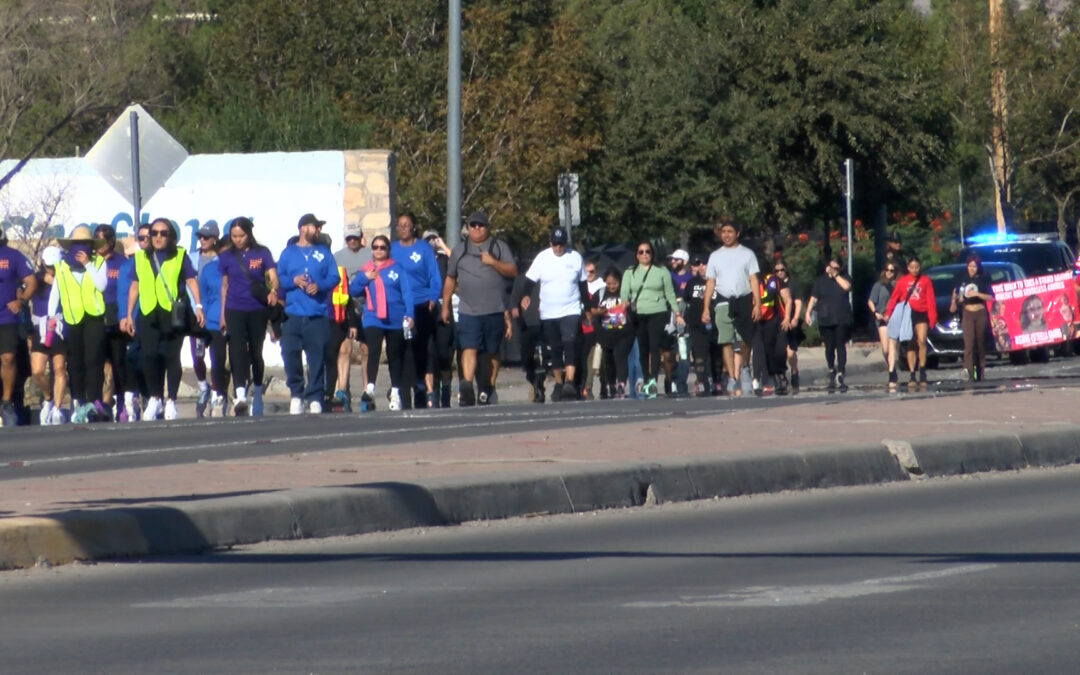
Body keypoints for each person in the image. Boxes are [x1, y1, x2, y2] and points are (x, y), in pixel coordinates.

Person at [121, 218, 206, 420]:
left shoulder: (179, 256)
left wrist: (198, 306)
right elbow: (135, 285)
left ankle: (171, 401)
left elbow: (191, 279)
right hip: (148, 311)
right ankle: (155, 398)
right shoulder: (140, 257)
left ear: (170, 236)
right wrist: (129, 313)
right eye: (155, 233)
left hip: (172, 313)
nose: (158, 237)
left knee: (171, 357)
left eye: (163, 233)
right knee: (149, 356)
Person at [441, 210, 516, 406]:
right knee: (469, 347)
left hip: (494, 309)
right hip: (469, 310)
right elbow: (450, 278)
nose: (476, 229)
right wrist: (445, 306)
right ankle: (467, 386)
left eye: (480, 225)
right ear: (468, 228)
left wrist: (493, 262)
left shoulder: (499, 247)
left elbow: (512, 271)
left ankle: (487, 388)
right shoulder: (459, 250)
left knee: (492, 351)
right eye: (473, 225)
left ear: (487, 227)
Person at [277, 213, 339, 414]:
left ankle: (315, 396)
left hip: (317, 314)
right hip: (292, 314)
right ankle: (296, 393)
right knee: (290, 353)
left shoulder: (324, 252)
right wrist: (293, 281)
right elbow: (279, 280)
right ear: (303, 228)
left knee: (316, 358)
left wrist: (319, 286)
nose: (318, 231)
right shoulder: (288, 253)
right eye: (315, 227)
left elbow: (334, 277)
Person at [218, 216, 278, 416]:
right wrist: (222, 315)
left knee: (255, 351)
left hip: (257, 308)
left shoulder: (262, 253)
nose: (237, 239)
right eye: (234, 236)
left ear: (249, 233)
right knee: (236, 350)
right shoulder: (226, 256)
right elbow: (224, 286)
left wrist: (273, 291)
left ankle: (258, 391)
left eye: (241, 235)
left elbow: (273, 277)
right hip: (234, 307)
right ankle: (240, 394)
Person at [350, 234, 415, 411]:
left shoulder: (397, 269)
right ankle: (370, 388)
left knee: (395, 355)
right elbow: (353, 290)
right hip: (373, 317)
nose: (379, 250)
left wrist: (409, 314)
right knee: (373, 349)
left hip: (395, 318)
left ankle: (395, 392)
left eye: (382, 247)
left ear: (388, 250)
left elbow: (407, 293)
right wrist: (366, 278)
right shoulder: (366, 270)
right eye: (376, 247)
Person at [54, 225, 110, 422]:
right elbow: (56, 292)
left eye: (85, 244)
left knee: (93, 360)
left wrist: (88, 265)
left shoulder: (99, 262)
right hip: (71, 318)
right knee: (75, 363)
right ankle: (78, 399)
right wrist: (53, 318)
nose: (81, 248)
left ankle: (93, 400)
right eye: (77, 244)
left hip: (93, 317)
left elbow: (101, 285)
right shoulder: (61, 266)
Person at [524, 226, 585, 401]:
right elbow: (529, 280)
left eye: (561, 244)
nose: (558, 248)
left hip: (571, 309)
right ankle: (559, 383)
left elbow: (582, 284)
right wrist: (525, 295)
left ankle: (570, 382)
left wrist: (586, 308)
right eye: (555, 244)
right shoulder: (542, 258)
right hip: (549, 312)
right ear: (550, 243)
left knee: (570, 343)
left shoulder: (575, 257)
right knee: (555, 347)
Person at [702, 219, 760, 395]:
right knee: (726, 340)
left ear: (737, 234)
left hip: (743, 298)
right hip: (722, 300)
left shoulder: (747, 254)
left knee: (744, 340)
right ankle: (732, 378)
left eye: (730, 231)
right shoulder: (715, 256)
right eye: (723, 232)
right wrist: (706, 308)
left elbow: (753, 279)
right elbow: (710, 283)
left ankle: (744, 370)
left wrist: (757, 303)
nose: (726, 235)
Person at [391, 212, 443, 409]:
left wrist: (432, 296)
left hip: (421, 304)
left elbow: (434, 276)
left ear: (413, 227)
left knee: (422, 349)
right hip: (400, 306)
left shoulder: (423, 249)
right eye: (400, 225)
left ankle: (421, 388)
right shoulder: (393, 249)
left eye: (407, 225)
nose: (403, 228)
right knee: (402, 350)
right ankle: (403, 392)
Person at [621, 240, 683, 399]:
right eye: (641, 252)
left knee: (655, 346)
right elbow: (624, 293)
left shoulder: (661, 271)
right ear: (636, 255)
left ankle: (653, 381)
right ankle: (647, 378)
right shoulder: (630, 272)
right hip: (639, 313)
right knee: (643, 349)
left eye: (647, 251)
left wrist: (677, 314)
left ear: (652, 253)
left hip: (658, 311)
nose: (644, 255)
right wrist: (624, 304)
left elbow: (670, 294)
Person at [327, 230, 370, 411]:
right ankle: (343, 391)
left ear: (361, 238)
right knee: (344, 350)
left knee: (366, 351)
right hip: (345, 309)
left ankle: (368, 392)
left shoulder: (369, 254)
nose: (352, 241)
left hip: (367, 308)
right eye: (349, 238)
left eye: (355, 237)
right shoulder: (337, 257)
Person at [885, 255, 936, 386]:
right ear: (908, 268)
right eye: (912, 267)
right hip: (908, 313)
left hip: (921, 313)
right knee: (910, 343)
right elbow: (894, 298)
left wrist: (932, 318)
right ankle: (912, 373)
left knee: (922, 340)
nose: (915, 270)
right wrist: (888, 313)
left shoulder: (926, 281)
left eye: (917, 267)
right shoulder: (902, 281)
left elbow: (930, 300)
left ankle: (923, 370)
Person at [29, 246, 66, 425]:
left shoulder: (65, 277)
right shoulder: (36, 279)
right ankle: (48, 398)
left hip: (59, 326)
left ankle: (58, 409)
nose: (51, 269)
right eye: (49, 266)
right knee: (37, 370)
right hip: (41, 327)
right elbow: (26, 289)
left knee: (59, 369)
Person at [804, 258, 853, 392]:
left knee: (840, 345)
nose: (831, 269)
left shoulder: (844, 277)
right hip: (825, 318)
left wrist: (836, 275)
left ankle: (841, 372)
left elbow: (847, 287)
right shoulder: (821, 281)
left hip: (841, 318)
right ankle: (831, 369)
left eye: (835, 268)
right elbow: (814, 297)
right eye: (830, 267)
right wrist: (808, 312)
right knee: (829, 347)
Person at [188, 223, 220, 417]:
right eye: (200, 236)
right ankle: (202, 386)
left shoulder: (221, 260)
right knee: (198, 355)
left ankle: (217, 392)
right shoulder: (191, 258)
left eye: (206, 237)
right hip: (196, 316)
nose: (202, 240)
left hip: (214, 316)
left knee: (217, 358)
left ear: (215, 238)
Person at [197, 235, 230, 415]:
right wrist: (203, 321)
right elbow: (203, 297)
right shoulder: (209, 269)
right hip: (213, 323)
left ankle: (237, 394)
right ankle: (218, 394)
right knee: (216, 361)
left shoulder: (238, 270)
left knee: (235, 361)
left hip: (235, 320)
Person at [423, 229, 455, 407]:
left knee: (444, 354)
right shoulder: (421, 262)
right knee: (429, 354)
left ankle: (446, 389)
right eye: (427, 240)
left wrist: (442, 245)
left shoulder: (443, 260)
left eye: (433, 239)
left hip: (444, 309)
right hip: (427, 310)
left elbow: (457, 261)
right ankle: (431, 393)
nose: (431, 243)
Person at [752, 259, 793, 395]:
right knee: (767, 351)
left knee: (780, 350)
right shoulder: (751, 281)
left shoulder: (773, 280)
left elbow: (787, 300)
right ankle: (771, 376)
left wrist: (787, 318)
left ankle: (780, 374)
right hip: (761, 321)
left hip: (778, 319)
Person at [591, 267, 632, 397]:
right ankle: (611, 385)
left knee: (620, 358)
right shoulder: (600, 293)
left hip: (622, 332)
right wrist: (598, 311)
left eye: (615, 283)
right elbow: (591, 310)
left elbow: (633, 307)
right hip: (605, 333)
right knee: (608, 360)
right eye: (609, 283)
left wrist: (628, 305)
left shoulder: (625, 292)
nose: (612, 286)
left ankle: (621, 384)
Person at [949, 255, 992, 382]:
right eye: (970, 266)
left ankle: (980, 369)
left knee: (980, 343)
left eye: (975, 266)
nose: (972, 269)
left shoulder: (983, 278)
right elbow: (956, 292)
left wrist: (977, 294)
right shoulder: (962, 277)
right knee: (969, 343)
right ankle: (968, 370)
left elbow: (990, 296)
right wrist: (954, 302)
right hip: (967, 311)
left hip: (980, 311)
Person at [510, 257, 545, 402]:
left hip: (544, 322)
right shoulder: (520, 280)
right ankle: (534, 382)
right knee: (527, 358)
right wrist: (514, 310)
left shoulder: (544, 279)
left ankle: (544, 382)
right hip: (526, 325)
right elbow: (513, 300)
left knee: (546, 357)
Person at [683, 256, 719, 395]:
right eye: (700, 265)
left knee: (715, 353)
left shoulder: (718, 282)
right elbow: (686, 301)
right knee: (699, 353)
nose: (703, 267)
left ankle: (717, 381)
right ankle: (701, 381)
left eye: (705, 264)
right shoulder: (692, 283)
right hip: (696, 323)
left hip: (715, 323)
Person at [774, 260, 804, 391]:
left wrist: (795, 318)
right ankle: (781, 375)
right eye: (777, 270)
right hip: (777, 322)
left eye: (782, 270)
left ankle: (794, 371)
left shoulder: (793, 285)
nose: (780, 272)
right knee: (780, 351)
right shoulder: (772, 284)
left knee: (791, 352)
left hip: (790, 322)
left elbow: (798, 302)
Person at [578, 259, 605, 399]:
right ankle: (581, 385)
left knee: (594, 358)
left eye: (591, 271)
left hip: (594, 326)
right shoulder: (579, 284)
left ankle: (589, 387)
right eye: (586, 271)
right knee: (582, 358)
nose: (588, 274)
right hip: (579, 326)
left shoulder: (601, 286)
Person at [867, 263, 897, 373]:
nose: (889, 272)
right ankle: (890, 364)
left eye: (892, 270)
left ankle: (892, 371)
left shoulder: (897, 285)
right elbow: (870, 301)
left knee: (892, 345)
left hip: (894, 318)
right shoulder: (878, 285)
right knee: (885, 349)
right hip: (881, 318)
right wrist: (875, 313)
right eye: (887, 269)